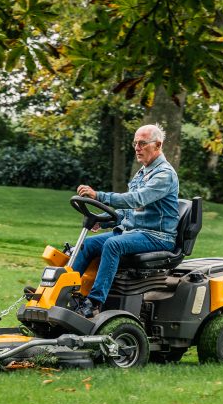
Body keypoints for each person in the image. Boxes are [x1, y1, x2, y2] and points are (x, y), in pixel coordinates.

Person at [71, 123, 179, 318]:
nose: (137, 148)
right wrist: (103, 221)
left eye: (142, 143)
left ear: (158, 145)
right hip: (133, 232)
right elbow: (128, 212)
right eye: (135, 143)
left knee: (113, 245)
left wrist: (99, 196)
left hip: (158, 236)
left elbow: (136, 199)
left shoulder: (164, 174)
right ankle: (65, 293)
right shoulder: (141, 174)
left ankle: (94, 302)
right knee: (87, 245)